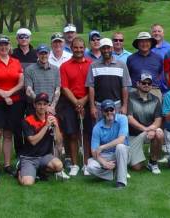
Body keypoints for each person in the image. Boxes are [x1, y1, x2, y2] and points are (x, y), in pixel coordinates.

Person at [0, 35, 25, 176]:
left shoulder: (15, 62)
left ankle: (7, 164)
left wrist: (9, 93)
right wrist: (4, 95)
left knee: (8, 133)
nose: (3, 47)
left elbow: (21, 82)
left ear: (10, 46)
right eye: (1, 45)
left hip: (13, 101)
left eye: (6, 45)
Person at [59, 37, 93, 176]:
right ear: (71, 48)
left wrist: (83, 101)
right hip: (69, 102)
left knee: (86, 134)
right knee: (72, 133)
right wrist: (76, 102)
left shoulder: (91, 64)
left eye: (81, 47)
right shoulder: (65, 66)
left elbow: (92, 86)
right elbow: (64, 87)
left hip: (88, 101)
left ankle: (86, 163)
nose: (78, 50)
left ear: (84, 48)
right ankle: (74, 164)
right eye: (75, 47)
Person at [18, 93, 65, 185]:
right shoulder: (27, 120)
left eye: (44, 104)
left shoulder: (53, 119)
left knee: (59, 166)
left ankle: (38, 171)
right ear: (34, 105)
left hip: (45, 156)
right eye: (39, 104)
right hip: (29, 157)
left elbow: (59, 142)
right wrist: (46, 126)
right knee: (27, 183)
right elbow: (33, 141)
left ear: (48, 106)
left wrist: (56, 127)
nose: (42, 107)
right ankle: (19, 171)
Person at [87, 99, 130, 188]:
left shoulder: (123, 119)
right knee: (90, 166)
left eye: (111, 110)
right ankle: (112, 173)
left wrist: (103, 147)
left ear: (115, 110)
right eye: (106, 110)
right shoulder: (97, 127)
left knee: (120, 147)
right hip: (106, 156)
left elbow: (121, 140)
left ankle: (121, 181)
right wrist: (103, 162)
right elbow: (94, 151)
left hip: (123, 154)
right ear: (102, 112)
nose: (109, 112)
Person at [126, 74, 164, 174]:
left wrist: (152, 129)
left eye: (149, 83)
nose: (146, 85)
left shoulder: (156, 99)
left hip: (148, 133)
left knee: (159, 133)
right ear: (138, 84)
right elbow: (129, 119)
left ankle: (153, 162)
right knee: (137, 167)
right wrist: (146, 129)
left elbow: (158, 120)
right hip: (133, 135)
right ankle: (138, 158)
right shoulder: (130, 97)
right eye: (143, 83)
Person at [86, 38, 131, 119]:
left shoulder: (122, 65)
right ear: (100, 49)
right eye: (103, 48)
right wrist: (92, 107)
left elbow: (125, 86)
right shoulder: (93, 65)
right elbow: (91, 87)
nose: (106, 50)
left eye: (108, 48)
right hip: (99, 106)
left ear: (112, 48)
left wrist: (124, 106)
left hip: (116, 105)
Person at [23, 44, 60, 116]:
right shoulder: (29, 70)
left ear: (49, 54)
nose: (43, 56)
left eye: (45, 53)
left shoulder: (55, 69)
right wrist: (42, 105)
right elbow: (28, 91)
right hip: (34, 109)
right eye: (41, 53)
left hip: (51, 110)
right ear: (37, 54)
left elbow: (57, 91)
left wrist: (51, 107)